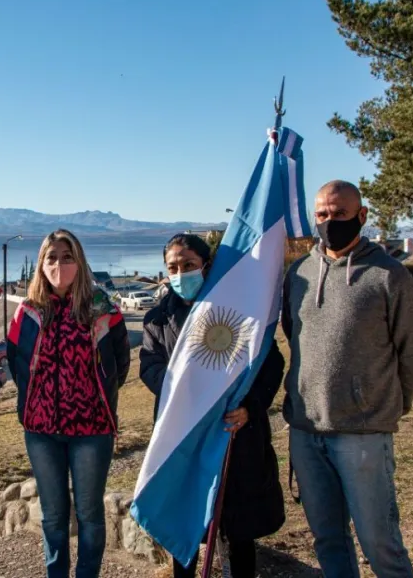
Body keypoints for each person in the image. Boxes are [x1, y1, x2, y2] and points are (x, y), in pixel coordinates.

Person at [282, 181, 413, 578]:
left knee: (380, 543)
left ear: (362, 216)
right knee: (328, 540)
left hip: (362, 433)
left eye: (340, 214)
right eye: (322, 215)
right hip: (306, 429)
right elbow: (292, 337)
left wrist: (389, 405)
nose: (330, 222)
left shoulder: (389, 276)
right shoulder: (299, 274)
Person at [140, 233, 285, 577]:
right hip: (182, 435)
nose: (180, 273)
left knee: (239, 528)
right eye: (172, 267)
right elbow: (150, 365)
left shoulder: (238, 310)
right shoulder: (158, 318)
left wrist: (251, 405)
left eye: (188, 265)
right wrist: (182, 391)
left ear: (207, 265)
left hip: (234, 433)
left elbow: (271, 363)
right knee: (183, 523)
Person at [7, 229, 131, 578]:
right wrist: (38, 402)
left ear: (79, 261)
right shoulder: (28, 312)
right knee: (54, 516)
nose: (58, 264)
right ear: (41, 264)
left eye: (66, 256)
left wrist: (93, 400)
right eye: (51, 257)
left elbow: (119, 365)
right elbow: (16, 362)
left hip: (92, 431)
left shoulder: (103, 308)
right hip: (41, 432)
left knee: (90, 514)